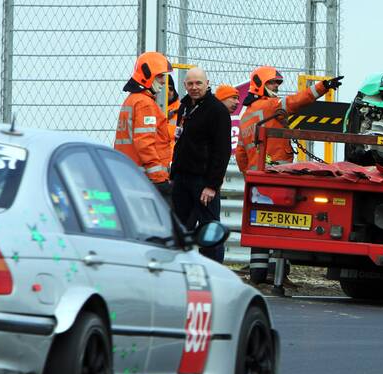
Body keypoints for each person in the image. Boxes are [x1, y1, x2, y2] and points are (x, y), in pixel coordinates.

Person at [236, 66, 342, 283]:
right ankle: (276, 276)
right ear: (261, 85)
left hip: (257, 179)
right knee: (277, 225)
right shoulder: (270, 106)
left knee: (259, 226)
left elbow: (240, 154)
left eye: (277, 83)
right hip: (275, 176)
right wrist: (322, 87)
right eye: (272, 83)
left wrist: (249, 174)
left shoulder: (246, 115)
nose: (276, 87)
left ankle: (258, 274)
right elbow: (296, 102)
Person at [170, 67, 232, 262]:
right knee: (179, 228)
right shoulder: (185, 106)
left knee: (209, 229)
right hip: (181, 178)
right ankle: (180, 269)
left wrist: (212, 185)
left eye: (198, 83)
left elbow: (222, 151)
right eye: (190, 84)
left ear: (207, 83)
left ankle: (214, 273)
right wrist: (174, 176)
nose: (194, 87)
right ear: (184, 85)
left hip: (203, 181)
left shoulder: (217, 111)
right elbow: (180, 142)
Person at [115, 52, 174, 203]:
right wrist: (159, 177)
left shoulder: (131, 100)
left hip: (130, 174)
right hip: (146, 180)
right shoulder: (144, 104)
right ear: (149, 76)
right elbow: (145, 144)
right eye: (160, 76)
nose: (163, 81)